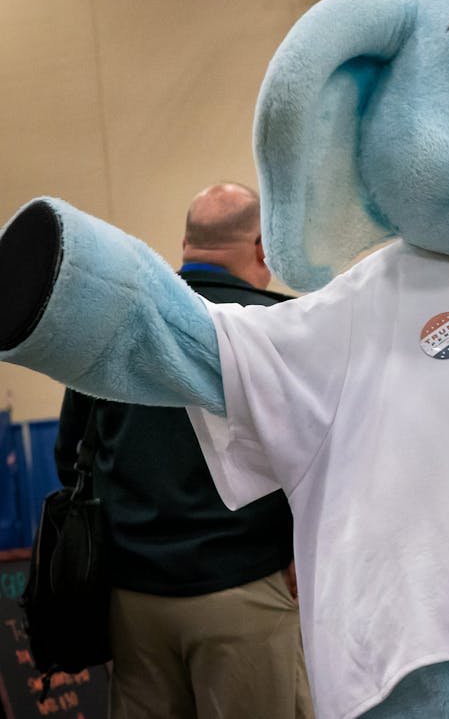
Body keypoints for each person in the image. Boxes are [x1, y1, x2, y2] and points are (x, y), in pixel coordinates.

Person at [54, 182, 312, 719]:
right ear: (262, 248)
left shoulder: (110, 330)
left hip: (131, 604)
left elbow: (70, 458)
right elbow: (321, 459)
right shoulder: (280, 327)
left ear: (185, 243)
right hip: (241, 592)